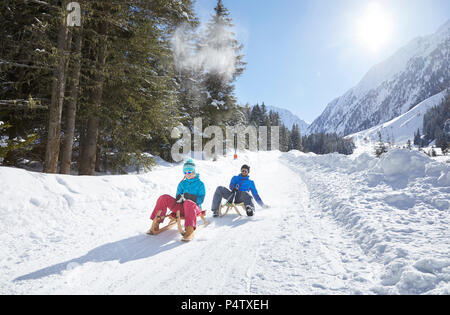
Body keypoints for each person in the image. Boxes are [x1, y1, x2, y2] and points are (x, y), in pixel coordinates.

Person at [148, 159, 205, 240]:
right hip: (182, 208)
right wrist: (179, 198)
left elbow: (201, 199)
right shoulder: (182, 184)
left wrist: (191, 197)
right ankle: (156, 222)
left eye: (189, 172)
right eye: (185, 172)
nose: (187, 174)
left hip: (194, 209)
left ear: (194, 171)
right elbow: (177, 196)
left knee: (188, 202)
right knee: (163, 198)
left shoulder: (200, 184)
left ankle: (189, 230)